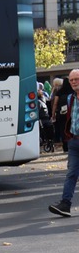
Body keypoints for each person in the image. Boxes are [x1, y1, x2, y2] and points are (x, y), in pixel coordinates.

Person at [49, 69, 79, 217]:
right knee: (71, 173)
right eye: (71, 80)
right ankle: (65, 204)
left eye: (76, 79)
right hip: (74, 141)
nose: (73, 82)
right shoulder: (70, 98)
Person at [51, 77, 73, 151]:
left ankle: (65, 146)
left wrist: (53, 114)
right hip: (71, 113)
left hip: (61, 114)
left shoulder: (59, 92)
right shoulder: (72, 91)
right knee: (71, 128)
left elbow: (55, 103)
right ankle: (72, 145)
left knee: (63, 129)